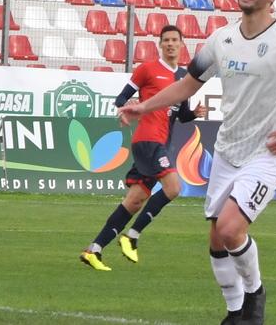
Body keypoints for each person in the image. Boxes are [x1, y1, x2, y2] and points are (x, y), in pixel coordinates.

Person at [119, 0, 276, 325]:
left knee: (232, 228)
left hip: (267, 153)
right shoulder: (222, 39)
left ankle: (255, 296)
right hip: (228, 151)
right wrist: (144, 106)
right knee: (218, 239)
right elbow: (188, 85)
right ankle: (235, 314)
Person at [80, 25, 205, 271]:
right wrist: (126, 109)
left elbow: (180, 115)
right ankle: (132, 235)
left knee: (135, 201)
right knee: (174, 187)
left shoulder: (184, 78)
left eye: (174, 40)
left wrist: (195, 114)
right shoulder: (148, 69)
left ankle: (93, 250)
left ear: (182, 44)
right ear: (160, 44)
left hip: (162, 141)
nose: (170, 44)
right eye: (166, 40)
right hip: (148, 140)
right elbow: (121, 98)